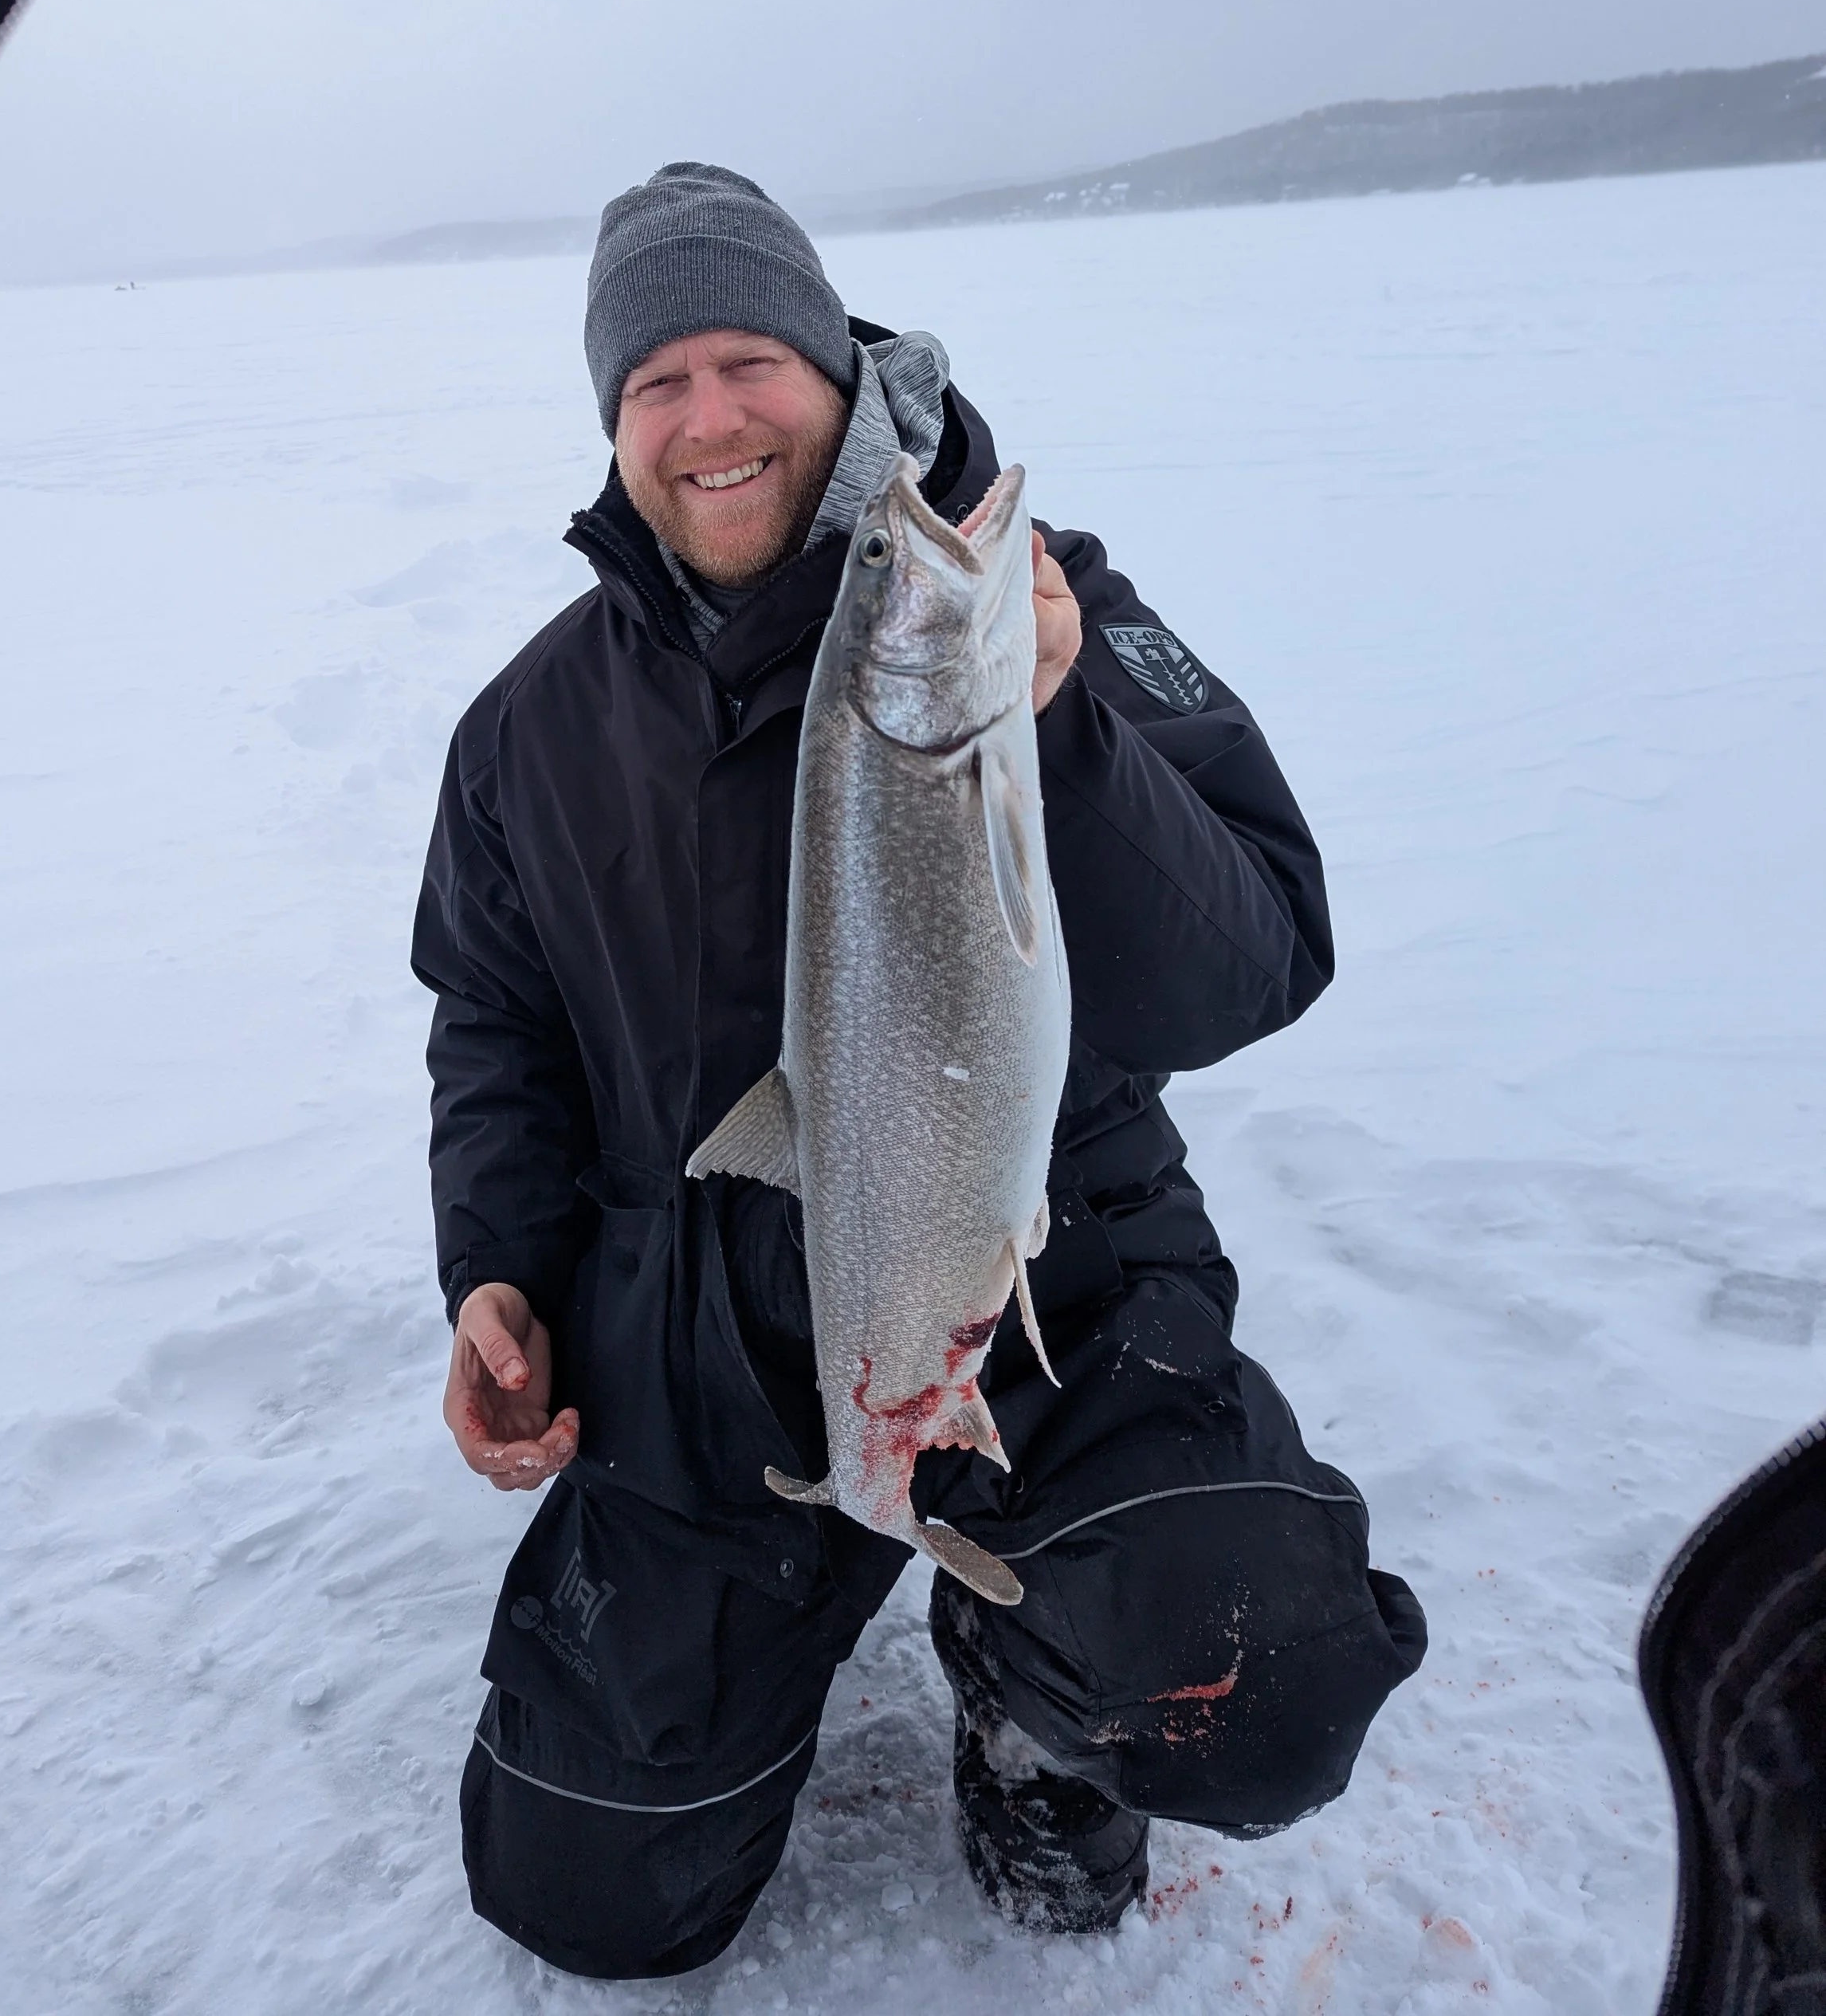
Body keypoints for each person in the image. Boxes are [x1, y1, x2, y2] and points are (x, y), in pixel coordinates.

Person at [413, 162, 1426, 1979]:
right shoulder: (527, 731)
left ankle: (1028, 1684)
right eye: (657, 382)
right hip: (704, 1359)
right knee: (583, 1900)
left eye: (751, 361)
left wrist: (1059, 724)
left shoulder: (1036, 609)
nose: (709, 417)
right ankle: (834, 1560)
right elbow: (491, 1027)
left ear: (837, 369)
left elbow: (1256, 959)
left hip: (1047, 1292)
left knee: (1242, 1687)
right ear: (612, 424)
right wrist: (494, 1271)